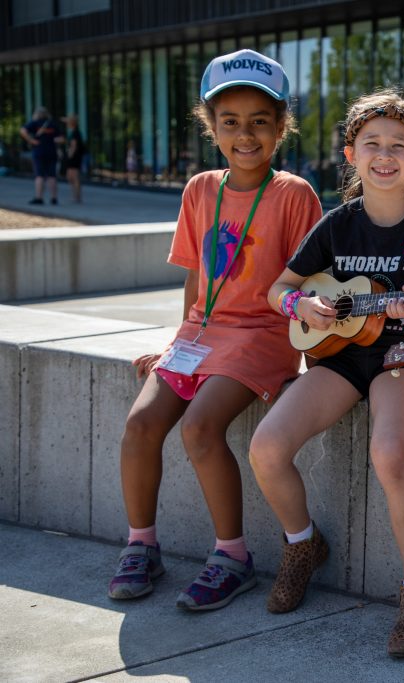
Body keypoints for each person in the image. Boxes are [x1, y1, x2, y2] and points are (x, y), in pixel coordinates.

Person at [248, 89, 404, 658]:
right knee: (267, 446)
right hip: (339, 357)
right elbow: (280, 289)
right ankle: (302, 545)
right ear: (351, 153)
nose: (385, 154)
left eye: (399, 145)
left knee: (390, 452)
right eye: (372, 143)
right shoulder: (336, 225)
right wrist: (301, 307)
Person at [106, 49, 322, 612]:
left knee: (200, 428)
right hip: (201, 335)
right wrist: (178, 342)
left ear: (280, 127)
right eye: (230, 122)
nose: (244, 134)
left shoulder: (294, 194)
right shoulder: (200, 189)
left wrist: (310, 368)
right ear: (211, 127)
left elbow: (313, 286)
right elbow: (196, 280)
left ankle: (232, 557)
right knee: (141, 424)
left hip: (262, 337)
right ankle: (141, 545)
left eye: (259, 122)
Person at [20, 106, 64, 205]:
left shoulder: (34, 123)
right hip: (52, 152)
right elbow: (61, 139)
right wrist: (52, 140)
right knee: (52, 175)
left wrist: (31, 140)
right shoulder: (52, 124)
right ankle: (54, 198)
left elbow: (22, 131)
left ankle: (39, 197)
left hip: (39, 152)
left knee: (39, 175)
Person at [62, 114, 86, 202]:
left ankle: (77, 196)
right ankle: (75, 195)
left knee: (74, 177)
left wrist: (69, 156)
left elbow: (74, 145)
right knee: (70, 176)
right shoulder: (74, 132)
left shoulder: (75, 132)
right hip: (74, 156)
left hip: (74, 157)